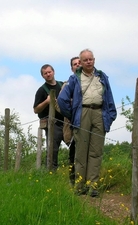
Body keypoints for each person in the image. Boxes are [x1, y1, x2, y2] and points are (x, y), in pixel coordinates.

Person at [57, 49, 117, 197]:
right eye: (85, 60)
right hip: (82, 113)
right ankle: (80, 185)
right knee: (81, 151)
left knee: (96, 152)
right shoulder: (74, 79)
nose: (88, 62)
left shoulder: (102, 77)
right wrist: (72, 114)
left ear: (94, 60)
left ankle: (93, 186)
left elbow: (109, 98)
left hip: (99, 113)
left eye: (91, 59)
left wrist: (110, 116)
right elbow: (61, 100)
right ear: (81, 62)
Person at [33, 64, 64, 170]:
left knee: (75, 145)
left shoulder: (62, 85)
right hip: (52, 124)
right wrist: (47, 101)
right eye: (45, 73)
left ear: (54, 72)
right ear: (43, 76)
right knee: (53, 149)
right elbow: (36, 109)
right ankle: (51, 172)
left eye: (49, 72)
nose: (48, 74)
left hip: (67, 121)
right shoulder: (41, 90)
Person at [66, 56, 80, 185]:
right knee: (73, 152)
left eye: (79, 63)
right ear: (72, 68)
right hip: (72, 123)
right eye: (75, 64)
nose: (78, 65)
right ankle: (73, 180)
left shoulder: (94, 81)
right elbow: (59, 105)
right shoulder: (68, 84)